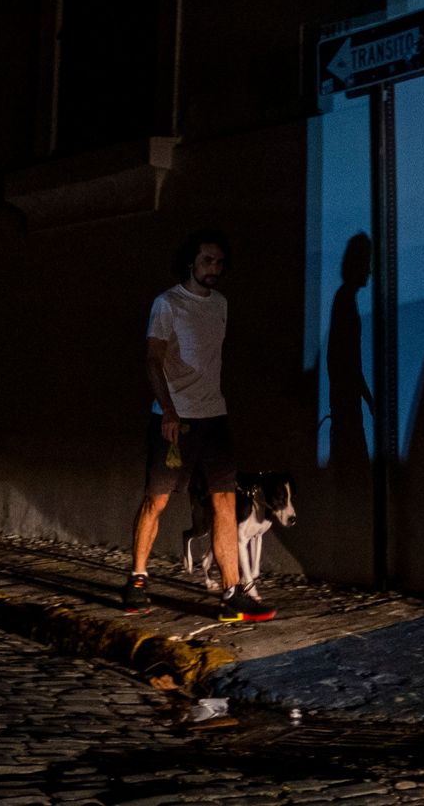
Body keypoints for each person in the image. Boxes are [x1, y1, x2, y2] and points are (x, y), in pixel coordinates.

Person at [121, 229, 276, 622]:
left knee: (224, 501)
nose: (214, 269)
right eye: (207, 261)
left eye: (220, 263)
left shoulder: (221, 304)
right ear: (191, 262)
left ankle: (231, 591)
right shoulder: (167, 303)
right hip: (175, 419)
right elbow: (152, 360)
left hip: (214, 417)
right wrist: (169, 411)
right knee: (157, 500)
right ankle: (137, 578)